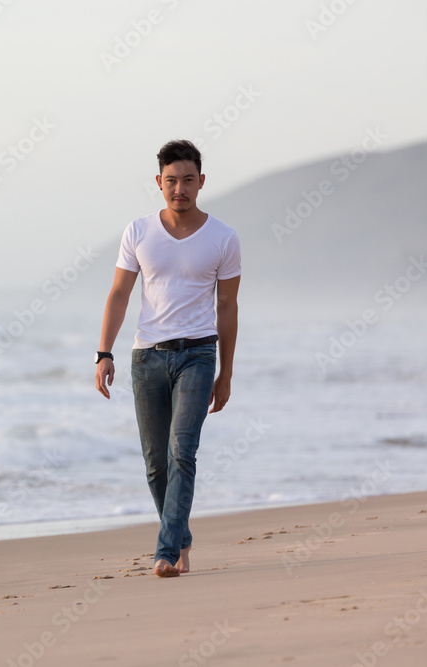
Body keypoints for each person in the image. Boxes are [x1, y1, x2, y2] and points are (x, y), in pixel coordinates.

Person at [94, 140, 241, 578]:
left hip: (198, 354)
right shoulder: (138, 232)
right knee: (156, 460)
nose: (180, 189)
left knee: (183, 451)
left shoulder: (223, 237)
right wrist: (105, 352)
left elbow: (228, 308)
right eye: (171, 181)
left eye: (188, 180)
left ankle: (164, 552)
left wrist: (226, 372)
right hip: (147, 358)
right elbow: (119, 294)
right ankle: (182, 537)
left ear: (201, 182)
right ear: (159, 183)